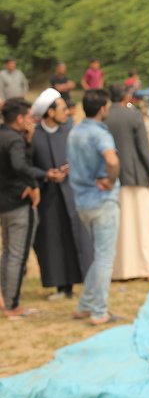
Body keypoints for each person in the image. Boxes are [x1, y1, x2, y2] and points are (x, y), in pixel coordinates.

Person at [30, 88, 93, 301]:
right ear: (50, 112)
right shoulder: (34, 135)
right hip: (47, 198)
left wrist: (72, 167)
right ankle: (61, 286)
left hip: (72, 193)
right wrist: (46, 175)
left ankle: (84, 282)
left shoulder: (70, 130)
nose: (67, 112)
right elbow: (26, 166)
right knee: (52, 241)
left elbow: (84, 156)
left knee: (77, 238)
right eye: (62, 109)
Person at [104, 83, 149, 281]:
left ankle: (120, 269)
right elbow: (144, 149)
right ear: (126, 96)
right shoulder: (134, 115)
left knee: (120, 227)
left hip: (112, 178)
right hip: (136, 174)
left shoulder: (104, 116)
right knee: (143, 224)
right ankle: (148, 266)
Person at [67, 88, 122, 326]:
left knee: (99, 255)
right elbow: (111, 159)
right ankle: (99, 311)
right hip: (102, 201)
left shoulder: (75, 131)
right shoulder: (100, 134)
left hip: (82, 202)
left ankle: (84, 305)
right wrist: (111, 179)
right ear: (102, 109)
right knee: (105, 258)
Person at [0, 98, 42, 318]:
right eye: (28, 116)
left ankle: (5, 298)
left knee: (8, 252)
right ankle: (12, 304)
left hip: (4, 203)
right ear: (19, 118)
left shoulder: (4, 135)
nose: (30, 120)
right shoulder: (15, 140)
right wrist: (32, 185)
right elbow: (19, 165)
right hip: (17, 203)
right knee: (17, 255)